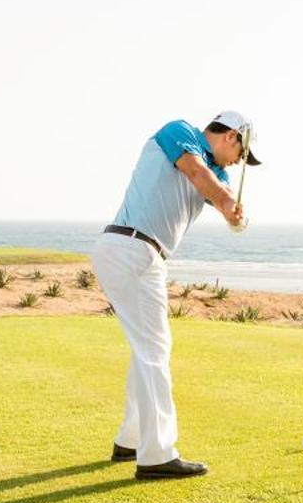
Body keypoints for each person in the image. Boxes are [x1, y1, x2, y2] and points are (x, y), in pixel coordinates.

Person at [91, 111, 260, 480]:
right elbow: (198, 174)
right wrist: (227, 205)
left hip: (141, 254)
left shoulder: (221, 174)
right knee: (153, 351)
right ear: (231, 135)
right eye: (242, 152)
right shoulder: (179, 132)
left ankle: (131, 439)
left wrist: (235, 214)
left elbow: (222, 192)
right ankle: (156, 455)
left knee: (149, 349)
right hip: (130, 246)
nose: (239, 161)